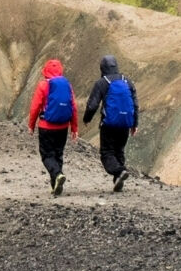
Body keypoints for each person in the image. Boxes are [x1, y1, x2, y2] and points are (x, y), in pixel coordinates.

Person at [81, 54, 140, 191]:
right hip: (125, 123)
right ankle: (118, 180)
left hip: (109, 125)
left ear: (102, 68)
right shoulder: (128, 81)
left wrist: (86, 119)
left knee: (107, 153)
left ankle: (119, 172)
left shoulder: (102, 83)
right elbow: (135, 104)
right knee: (119, 151)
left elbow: (92, 105)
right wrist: (134, 124)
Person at [25, 57, 78, 195]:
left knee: (47, 155)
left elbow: (35, 107)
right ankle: (55, 184)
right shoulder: (67, 85)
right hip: (63, 127)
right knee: (58, 154)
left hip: (46, 126)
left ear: (45, 71)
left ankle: (57, 174)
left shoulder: (43, 85)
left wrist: (31, 125)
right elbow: (73, 107)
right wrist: (74, 128)